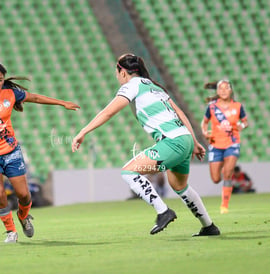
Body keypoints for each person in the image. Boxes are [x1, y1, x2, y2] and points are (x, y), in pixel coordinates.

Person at [72, 53, 220, 236]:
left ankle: (163, 211)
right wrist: (195, 142)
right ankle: (209, 226)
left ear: (123, 72)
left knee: (129, 172)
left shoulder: (131, 86)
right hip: (185, 139)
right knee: (180, 186)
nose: (117, 76)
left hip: (172, 142)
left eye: (116, 72)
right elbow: (180, 112)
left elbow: (108, 112)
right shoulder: (154, 86)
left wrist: (83, 131)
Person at [0, 60, 80, 243]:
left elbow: (35, 98)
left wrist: (62, 103)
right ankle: (11, 231)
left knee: (23, 194)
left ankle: (23, 216)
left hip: (11, 152)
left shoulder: (10, 93)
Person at [201, 80, 248, 214]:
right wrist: (205, 133)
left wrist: (242, 126)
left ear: (231, 90)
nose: (223, 90)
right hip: (215, 145)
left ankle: (224, 205)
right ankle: (223, 168)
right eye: (220, 88)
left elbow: (245, 122)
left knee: (227, 174)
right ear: (217, 91)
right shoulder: (212, 107)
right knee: (216, 179)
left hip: (232, 143)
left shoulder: (238, 106)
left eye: (226, 88)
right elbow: (204, 123)